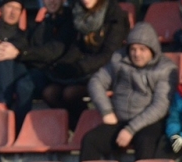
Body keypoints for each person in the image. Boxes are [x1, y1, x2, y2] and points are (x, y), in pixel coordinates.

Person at [82, 22, 178, 162]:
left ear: (152, 49)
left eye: (142, 49)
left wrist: (131, 129)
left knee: (145, 141)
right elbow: (96, 81)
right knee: (91, 140)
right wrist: (106, 111)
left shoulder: (166, 69)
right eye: (133, 49)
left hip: (149, 122)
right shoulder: (119, 60)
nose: (136, 54)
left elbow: (160, 106)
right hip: (120, 120)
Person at [42, 0, 128, 128]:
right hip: (85, 69)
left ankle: (86, 127)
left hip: (108, 70)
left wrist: (81, 67)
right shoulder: (79, 12)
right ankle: (77, 127)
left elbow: (110, 54)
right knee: (50, 93)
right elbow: (77, 47)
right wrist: (64, 64)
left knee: (70, 93)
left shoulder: (114, 14)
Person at [0, 0, 74, 125]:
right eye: (10, 7)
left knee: (23, 84)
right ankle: (3, 106)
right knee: (5, 57)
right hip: (29, 69)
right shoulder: (43, 23)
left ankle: (8, 115)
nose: (52, 1)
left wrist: (17, 52)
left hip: (51, 72)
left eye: (17, 9)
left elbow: (52, 51)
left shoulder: (68, 21)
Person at [0, 0, 26, 110]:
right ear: (1, 9)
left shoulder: (24, 36)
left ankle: (3, 103)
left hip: (13, 72)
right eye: (10, 7)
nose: (13, 12)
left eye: (17, 9)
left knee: (4, 56)